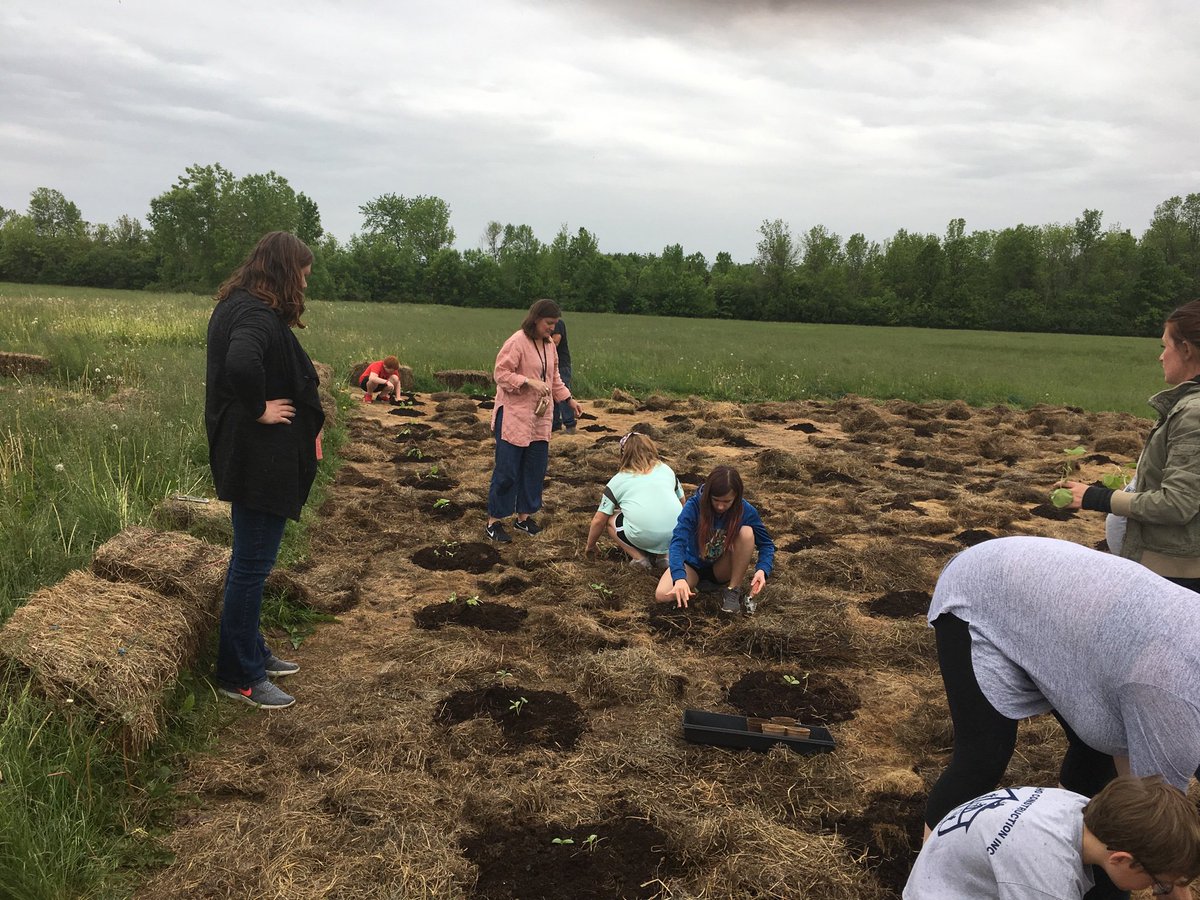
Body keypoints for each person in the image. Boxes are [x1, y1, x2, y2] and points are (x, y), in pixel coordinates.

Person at [923, 536, 1200, 899]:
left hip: (1084, 628)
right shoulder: (1172, 697)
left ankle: (1080, 861)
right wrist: (1176, 890)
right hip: (988, 589)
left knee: (1100, 757)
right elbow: (1159, 830)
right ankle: (930, 871)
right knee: (982, 756)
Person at [205, 232, 325, 710]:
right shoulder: (254, 315)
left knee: (250, 561)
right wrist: (259, 409)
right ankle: (240, 675)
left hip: (251, 455)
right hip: (257, 459)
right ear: (285, 271)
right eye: (303, 275)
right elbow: (240, 363)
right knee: (251, 566)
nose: (305, 285)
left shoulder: (238, 304)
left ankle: (249, 649)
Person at [1061, 300, 1200, 591]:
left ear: (1186, 349)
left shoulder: (1194, 415)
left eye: (1165, 347)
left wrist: (1097, 498)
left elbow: (1177, 505)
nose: (1161, 357)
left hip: (1176, 577)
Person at [905, 775, 1200, 900]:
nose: (1153, 890)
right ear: (1122, 858)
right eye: (1156, 883)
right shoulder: (1048, 878)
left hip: (955, 873)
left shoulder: (1080, 807)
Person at [485, 298, 582, 544]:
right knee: (507, 470)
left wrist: (569, 400)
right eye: (549, 323)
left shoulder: (550, 346)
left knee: (534, 470)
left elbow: (554, 379)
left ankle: (523, 517)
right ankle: (494, 521)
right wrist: (527, 382)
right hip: (515, 416)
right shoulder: (517, 342)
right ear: (536, 319)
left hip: (540, 419)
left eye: (555, 324)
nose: (552, 328)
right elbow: (501, 374)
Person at [654, 465, 774, 614]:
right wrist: (679, 578)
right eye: (715, 500)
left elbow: (767, 544)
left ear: (736, 497)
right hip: (692, 566)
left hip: (721, 568)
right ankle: (697, 586)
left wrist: (762, 569)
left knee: (747, 532)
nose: (720, 506)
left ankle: (732, 591)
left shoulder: (745, 510)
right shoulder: (693, 507)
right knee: (662, 595)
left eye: (727, 501)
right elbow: (678, 542)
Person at [584, 432, 685, 571]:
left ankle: (640, 559)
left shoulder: (618, 480)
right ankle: (664, 557)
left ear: (623, 454)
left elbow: (598, 520)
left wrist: (590, 545)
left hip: (644, 535)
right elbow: (682, 503)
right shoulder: (667, 470)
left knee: (609, 519)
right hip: (676, 534)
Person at [550, 317, 576, 434]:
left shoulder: (557, 323)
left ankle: (570, 424)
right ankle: (555, 425)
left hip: (561, 364)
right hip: (551, 364)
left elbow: (556, 341)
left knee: (563, 395)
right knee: (551, 394)